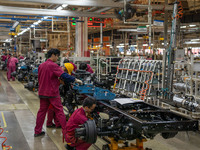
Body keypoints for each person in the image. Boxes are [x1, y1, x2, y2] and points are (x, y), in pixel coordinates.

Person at [34, 49, 83, 137]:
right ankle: (66, 131)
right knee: (59, 111)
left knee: (41, 112)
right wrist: (75, 79)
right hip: (52, 93)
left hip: (42, 92)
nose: (57, 58)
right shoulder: (53, 65)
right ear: (53, 55)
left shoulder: (41, 65)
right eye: (57, 56)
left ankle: (37, 131)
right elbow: (63, 75)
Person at [46, 63, 74, 128]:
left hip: (51, 91)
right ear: (65, 68)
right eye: (66, 71)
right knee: (55, 108)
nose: (65, 72)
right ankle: (56, 123)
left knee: (53, 108)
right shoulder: (58, 71)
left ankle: (53, 123)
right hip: (52, 91)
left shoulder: (58, 70)